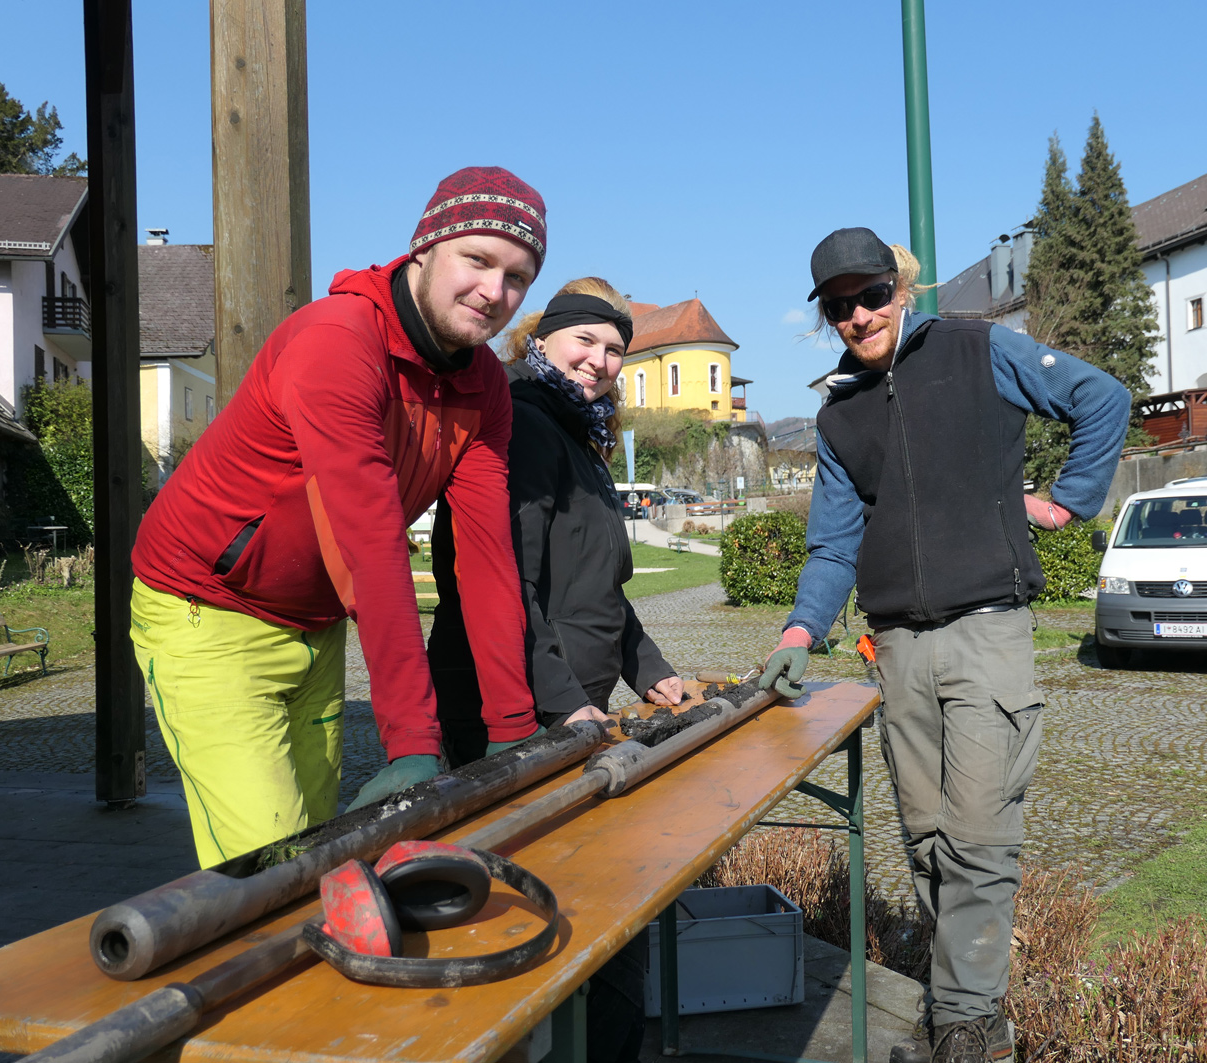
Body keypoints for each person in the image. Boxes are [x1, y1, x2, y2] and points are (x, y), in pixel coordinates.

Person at [759, 229, 1129, 1063]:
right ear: (828, 317)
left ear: (901, 287)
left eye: (871, 294)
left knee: (980, 836)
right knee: (928, 836)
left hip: (986, 632)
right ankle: (973, 1005)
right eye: (839, 306)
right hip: (896, 646)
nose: (859, 315)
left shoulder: (976, 347)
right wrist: (798, 631)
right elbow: (830, 544)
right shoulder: (839, 414)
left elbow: (1103, 397)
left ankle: (963, 1018)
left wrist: (1068, 501)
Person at [130, 166, 546, 869]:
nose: (494, 291)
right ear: (425, 247)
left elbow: (484, 559)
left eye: (517, 277)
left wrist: (513, 729)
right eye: (476, 259)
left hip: (314, 628)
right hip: (208, 608)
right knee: (270, 865)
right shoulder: (337, 341)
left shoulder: (484, 388)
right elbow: (370, 542)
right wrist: (413, 742)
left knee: (323, 847)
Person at [427, 278, 683, 1063]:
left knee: (599, 918)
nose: (601, 360)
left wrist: (655, 673)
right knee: (529, 915)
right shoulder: (522, 427)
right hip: (509, 716)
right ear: (544, 338)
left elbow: (602, 591)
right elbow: (500, 587)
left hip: (573, 712)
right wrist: (567, 702)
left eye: (615, 350)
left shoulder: (582, 438)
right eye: (587, 342)